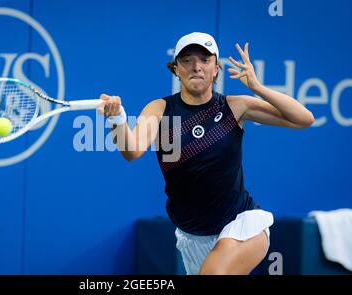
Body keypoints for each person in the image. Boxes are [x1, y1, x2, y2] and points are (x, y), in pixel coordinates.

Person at [98, 32, 314, 275]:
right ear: (176, 69)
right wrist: (117, 119)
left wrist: (257, 87)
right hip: (193, 237)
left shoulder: (235, 106)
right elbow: (132, 151)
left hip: (241, 224)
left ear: (215, 69)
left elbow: (304, 119)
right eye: (187, 60)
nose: (196, 67)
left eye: (205, 60)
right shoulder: (160, 109)